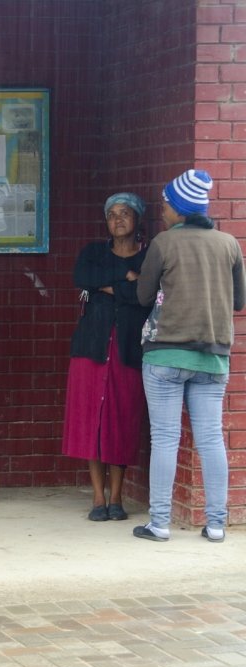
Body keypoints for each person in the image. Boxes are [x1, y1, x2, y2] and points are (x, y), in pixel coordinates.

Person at [133, 169, 246, 544]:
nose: (162, 209)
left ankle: (159, 523)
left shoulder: (163, 243)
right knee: (211, 439)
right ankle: (216, 525)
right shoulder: (229, 244)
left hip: (166, 354)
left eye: (166, 204)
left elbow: (144, 296)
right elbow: (239, 301)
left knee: (165, 438)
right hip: (213, 357)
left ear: (179, 208)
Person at [62, 193, 151, 522]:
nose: (118, 220)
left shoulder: (148, 256)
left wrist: (111, 284)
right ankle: (98, 497)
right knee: (92, 422)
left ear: (137, 219)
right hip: (91, 347)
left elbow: (144, 295)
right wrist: (126, 279)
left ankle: (117, 497)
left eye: (125, 213)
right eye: (112, 214)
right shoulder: (93, 252)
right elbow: (83, 278)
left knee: (121, 421)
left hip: (128, 350)